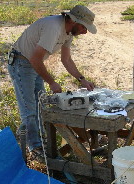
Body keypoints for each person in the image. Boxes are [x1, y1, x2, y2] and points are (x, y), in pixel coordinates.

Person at [8, 5, 97, 156]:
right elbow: (35, 58)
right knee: (29, 109)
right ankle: (35, 147)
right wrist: (51, 82)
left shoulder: (68, 32)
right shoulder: (54, 28)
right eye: (84, 27)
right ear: (74, 21)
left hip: (34, 63)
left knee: (40, 105)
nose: (85, 31)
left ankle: (41, 140)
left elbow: (66, 59)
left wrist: (82, 79)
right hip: (21, 62)